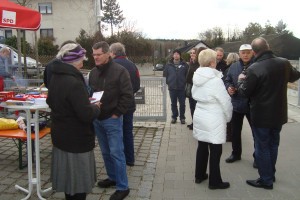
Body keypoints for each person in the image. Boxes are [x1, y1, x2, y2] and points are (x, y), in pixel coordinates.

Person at [238, 37, 300, 189]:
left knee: (262, 146)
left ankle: (266, 179)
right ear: (268, 46)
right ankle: (270, 173)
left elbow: (244, 92)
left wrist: (240, 81)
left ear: (253, 52)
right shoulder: (284, 62)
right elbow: (295, 75)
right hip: (279, 113)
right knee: (273, 144)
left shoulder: (254, 68)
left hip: (261, 115)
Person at [46, 43, 101, 200]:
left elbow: (52, 101)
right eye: (82, 60)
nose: (83, 63)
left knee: (69, 185)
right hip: (76, 140)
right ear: (75, 61)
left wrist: (83, 101)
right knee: (78, 188)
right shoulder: (74, 82)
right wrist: (96, 107)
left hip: (61, 137)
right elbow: (85, 114)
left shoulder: (56, 76)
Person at [89, 41, 132, 200]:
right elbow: (92, 92)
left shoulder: (120, 71)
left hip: (112, 119)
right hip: (97, 118)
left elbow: (127, 95)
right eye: (93, 55)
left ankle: (123, 187)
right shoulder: (93, 72)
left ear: (108, 54)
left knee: (116, 153)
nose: (95, 57)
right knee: (106, 152)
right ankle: (112, 178)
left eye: (98, 54)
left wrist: (117, 113)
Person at [192, 49, 232, 189]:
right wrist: (228, 117)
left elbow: (194, 94)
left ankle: (199, 175)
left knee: (202, 146)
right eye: (215, 60)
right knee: (216, 149)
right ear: (212, 63)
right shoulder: (215, 81)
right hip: (213, 116)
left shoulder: (196, 76)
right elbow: (225, 101)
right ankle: (215, 181)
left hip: (200, 114)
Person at [109, 42, 140, 167]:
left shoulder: (111, 66)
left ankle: (118, 160)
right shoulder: (133, 65)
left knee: (116, 133)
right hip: (129, 104)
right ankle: (130, 159)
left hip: (115, 105)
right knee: (128, 131)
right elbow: (137, 85)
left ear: (113, 53)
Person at [224, 44, 255, 165]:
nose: (246, 55)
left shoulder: (256, 66)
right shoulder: (234, 66)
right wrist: (229, 88)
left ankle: (257, 157)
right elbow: (227, 80)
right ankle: (236, 153)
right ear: (239, 54)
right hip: (237, 103)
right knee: (235, 131)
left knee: (255, 133)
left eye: (248, 52)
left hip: (252, 105)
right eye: (243, 53)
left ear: (252, 53)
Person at [163, 49, 189, 124]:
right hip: (172, 88)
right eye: (175, 54)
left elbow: (187, 75)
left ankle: (182, 118)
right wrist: (169, 83)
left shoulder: (185, 65)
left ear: (180, 55)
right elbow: (165, 75)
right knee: (173, 103)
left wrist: (184, 84)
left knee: (182, 104)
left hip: (182, 88)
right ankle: (174, 117)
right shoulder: (168, 65)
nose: (176, 55)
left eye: (177, 54)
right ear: (173, 55)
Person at [186, 47, 207, 130]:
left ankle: (197, 124)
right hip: (190, 87)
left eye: (194, 53)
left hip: (196, 88)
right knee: (191, 106)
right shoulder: (192, 63)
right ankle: (194, 122)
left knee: (196, 107)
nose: (192, 55)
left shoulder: (199, 64)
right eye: (191, 53)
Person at [223, 53, 239, 142]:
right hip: (237, 95)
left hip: (229, 94)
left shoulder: (228, 70)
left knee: (229, 116)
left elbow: (225, 82)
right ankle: (233, 135)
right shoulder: (240, 68)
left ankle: (229, 135)